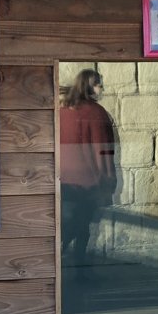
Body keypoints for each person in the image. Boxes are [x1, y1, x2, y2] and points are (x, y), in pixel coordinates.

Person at [59, 69, 117, 265]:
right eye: (98, 84)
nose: (102, 88)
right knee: (80, 226)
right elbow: (104, 152)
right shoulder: (96, 113)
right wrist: (108, 182)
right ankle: (74, 266)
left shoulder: (63, 111)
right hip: (88, 182)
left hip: (64, 181)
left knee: (75, 225)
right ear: (89, 86)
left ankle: (74, 268)